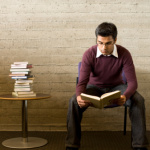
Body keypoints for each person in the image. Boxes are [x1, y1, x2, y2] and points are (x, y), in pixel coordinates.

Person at [65, 22, 149, 150]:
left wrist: (125, 96)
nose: (103, 47)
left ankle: (140, 145)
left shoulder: (124, 53)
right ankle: (72, 145)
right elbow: (82, 82)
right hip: (93, 88)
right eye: (100, 42)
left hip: (116, 87)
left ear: (115, 40)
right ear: (96, 40)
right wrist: (78, 96)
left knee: (138, 99)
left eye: (108, 43)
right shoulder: (89, 53)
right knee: (73, 102)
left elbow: (132, 83)